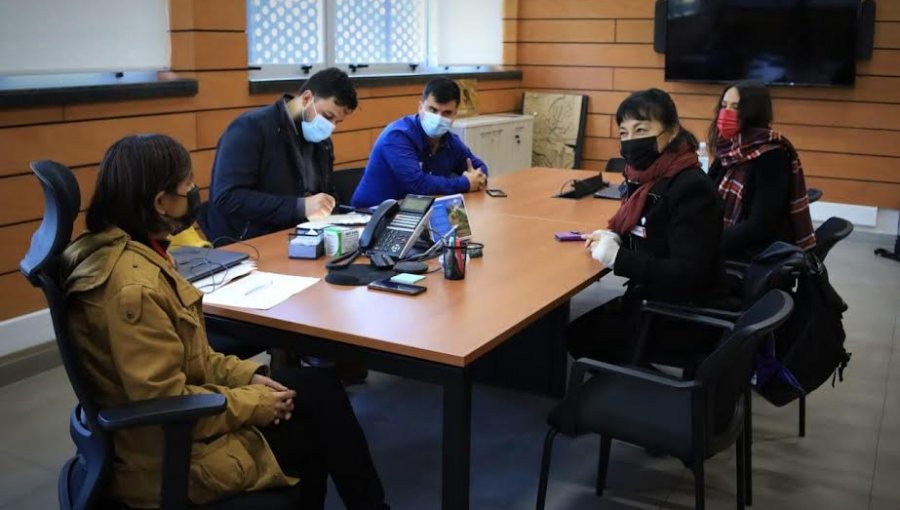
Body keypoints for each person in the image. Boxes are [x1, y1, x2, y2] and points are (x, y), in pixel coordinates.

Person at [61, 134, 388, 510]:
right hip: (172, 458)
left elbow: (192, 358)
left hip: (181, 423)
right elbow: (166, 405)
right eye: (186, 189)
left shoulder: (132, 250)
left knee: (318, 386)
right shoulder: (133, 289)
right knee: (315, 424)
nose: (194, 197)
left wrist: (247, 378)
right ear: (160, 203)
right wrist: (256, 404)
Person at [566, 89, 726, 366]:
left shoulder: (690, 186)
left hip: (681, 312)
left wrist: (619, 257)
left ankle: (648, 390)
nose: (631, 141)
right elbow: (656, 236)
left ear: (672, 131)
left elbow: (688, 273)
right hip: (656, 298)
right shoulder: (649, 178)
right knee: (579, 330)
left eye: (641, 129)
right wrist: (617, 237)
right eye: (624, 133)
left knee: (576, 336)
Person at [204, 67, 358, 243]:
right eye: (327, 116)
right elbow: (228, 197)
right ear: (307, 99)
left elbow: (326, 192)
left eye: (337, 122)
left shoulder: (322, 143)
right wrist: (299, 207)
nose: (330, 126)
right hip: (249, 243)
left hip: (301, 238)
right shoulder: (251, 128)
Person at [708, 80, 816, 260]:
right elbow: (707, 192)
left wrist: (710, 240)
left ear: (753, 112)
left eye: (735, 107)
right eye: (724, 105)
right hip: (727, 240)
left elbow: (761, 225)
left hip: (752, 253)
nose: (726, 113)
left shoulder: (772, 156)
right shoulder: (727, 149)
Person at [350, 77, 488, 207]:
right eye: (433, 110)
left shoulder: (450, 140)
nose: (438, 118)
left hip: (415, 213)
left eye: (446, 113)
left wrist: (478, 177)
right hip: (370, 215)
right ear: (421, 107)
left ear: (455, 114)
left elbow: (479, 166)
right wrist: (465, 183)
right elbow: (417, 185)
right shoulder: (397, 136)